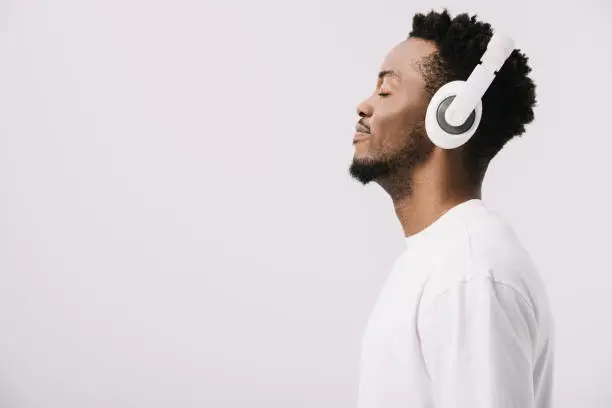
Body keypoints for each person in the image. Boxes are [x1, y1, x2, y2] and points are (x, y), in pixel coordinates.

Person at [349, 9, 555, 408]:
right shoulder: (441, 260)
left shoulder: (470, 274)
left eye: (386, 91)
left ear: (452, 116)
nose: (363, 105)